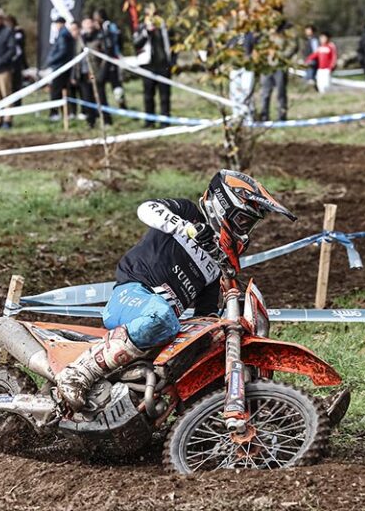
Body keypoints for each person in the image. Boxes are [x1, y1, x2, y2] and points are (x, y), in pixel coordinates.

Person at [55, 170, 297, 410]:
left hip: (160, 323)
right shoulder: (188, 213)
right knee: (163, 316)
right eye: (243, 220)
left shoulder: (214, 264)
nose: (244, 231)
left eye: (250, 225)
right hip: (131, 295)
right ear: (222, 206)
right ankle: (78, 373)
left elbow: (206, 314)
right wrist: (186, 228)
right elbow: (146, 209)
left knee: (207, 344)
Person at [133, 7, 175, 127]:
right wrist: (147, 32)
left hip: (164, 66)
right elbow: (136, 44)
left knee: (165, 96)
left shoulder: (166, 28)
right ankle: (149, 121)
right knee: (148, 96)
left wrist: (172, 62)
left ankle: (165, 121)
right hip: (148, 66)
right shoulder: (141, 28)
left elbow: (174, 45)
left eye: (155, 14)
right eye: (149, 15)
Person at [259, 13, 297, 122]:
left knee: (281, 93)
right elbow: (259, 46)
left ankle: (282, 116)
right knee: (265, 93)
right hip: (266, 67)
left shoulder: (286, 32)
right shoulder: (265, 33)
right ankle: (264, 116)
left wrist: (281, 57)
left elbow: (293, 46)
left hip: (280, 67)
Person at [78, 18, 112, 128]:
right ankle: (90, 121)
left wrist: (101, 73)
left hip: (94, 73)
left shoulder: (100, 37)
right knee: (87, 98)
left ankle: (106, 120)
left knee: (101, 97)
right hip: (84, 73)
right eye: (85, 26)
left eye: (90, 26)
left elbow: (105, 57)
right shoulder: (80, 40)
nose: (88, 28)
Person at [92, 9, 126, 109]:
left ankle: (121, 105)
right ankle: (119, 105)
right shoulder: (108, 26)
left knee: (108, 82)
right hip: (110, 58)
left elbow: (110, 43)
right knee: (113, 82)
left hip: (110, 59)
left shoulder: (107, 27)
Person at [45, 17, 76, 121]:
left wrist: (51, 61)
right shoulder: (64, 34)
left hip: (60, 67)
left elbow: (62, 52)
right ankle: (67, 112)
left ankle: (54, 113)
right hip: (63, 66)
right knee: (64, 90)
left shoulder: (63, 35)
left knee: (56, 91)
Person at [5, 15, 27, 106]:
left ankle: (17, 103)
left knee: (17, 84)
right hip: (7, 63)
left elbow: (20, 41)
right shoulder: (4, 33)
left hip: (17, 62)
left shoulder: (19, 32)